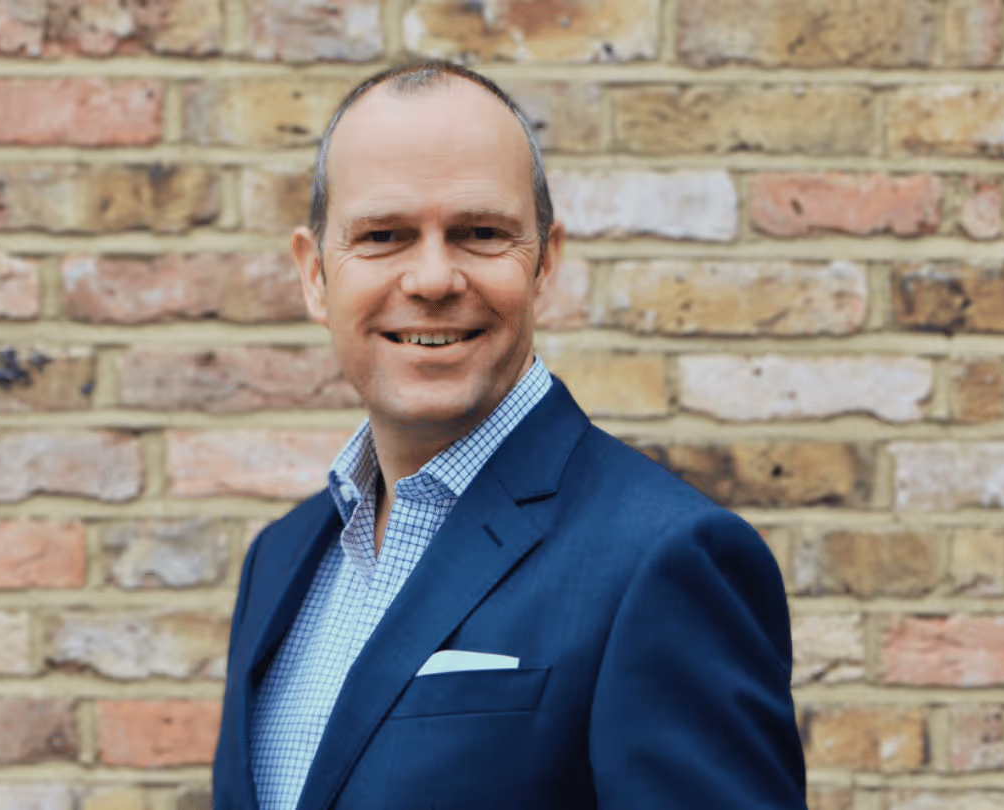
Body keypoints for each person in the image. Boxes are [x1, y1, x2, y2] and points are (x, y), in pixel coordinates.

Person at [211, 61, 806, 809]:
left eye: (481, 233)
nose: (432, 279)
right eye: (384, 235)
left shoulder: (666, 559)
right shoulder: (279, 560)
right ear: (314, 274)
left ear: (545, 263)